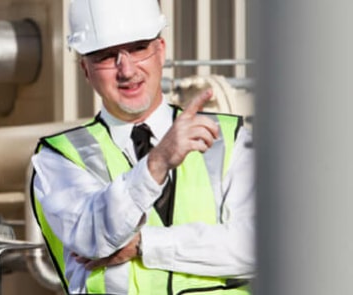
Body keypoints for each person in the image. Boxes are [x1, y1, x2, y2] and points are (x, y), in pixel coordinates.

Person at [29, 0, 255, 294]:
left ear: (161, 50)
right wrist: (156, 164)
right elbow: (93, 238)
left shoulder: (230, 139)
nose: (127, 70)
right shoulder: (59, 158)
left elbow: (260, 246)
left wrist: (145, 245)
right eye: (107, 56)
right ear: (85, 69)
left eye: (138, 48)